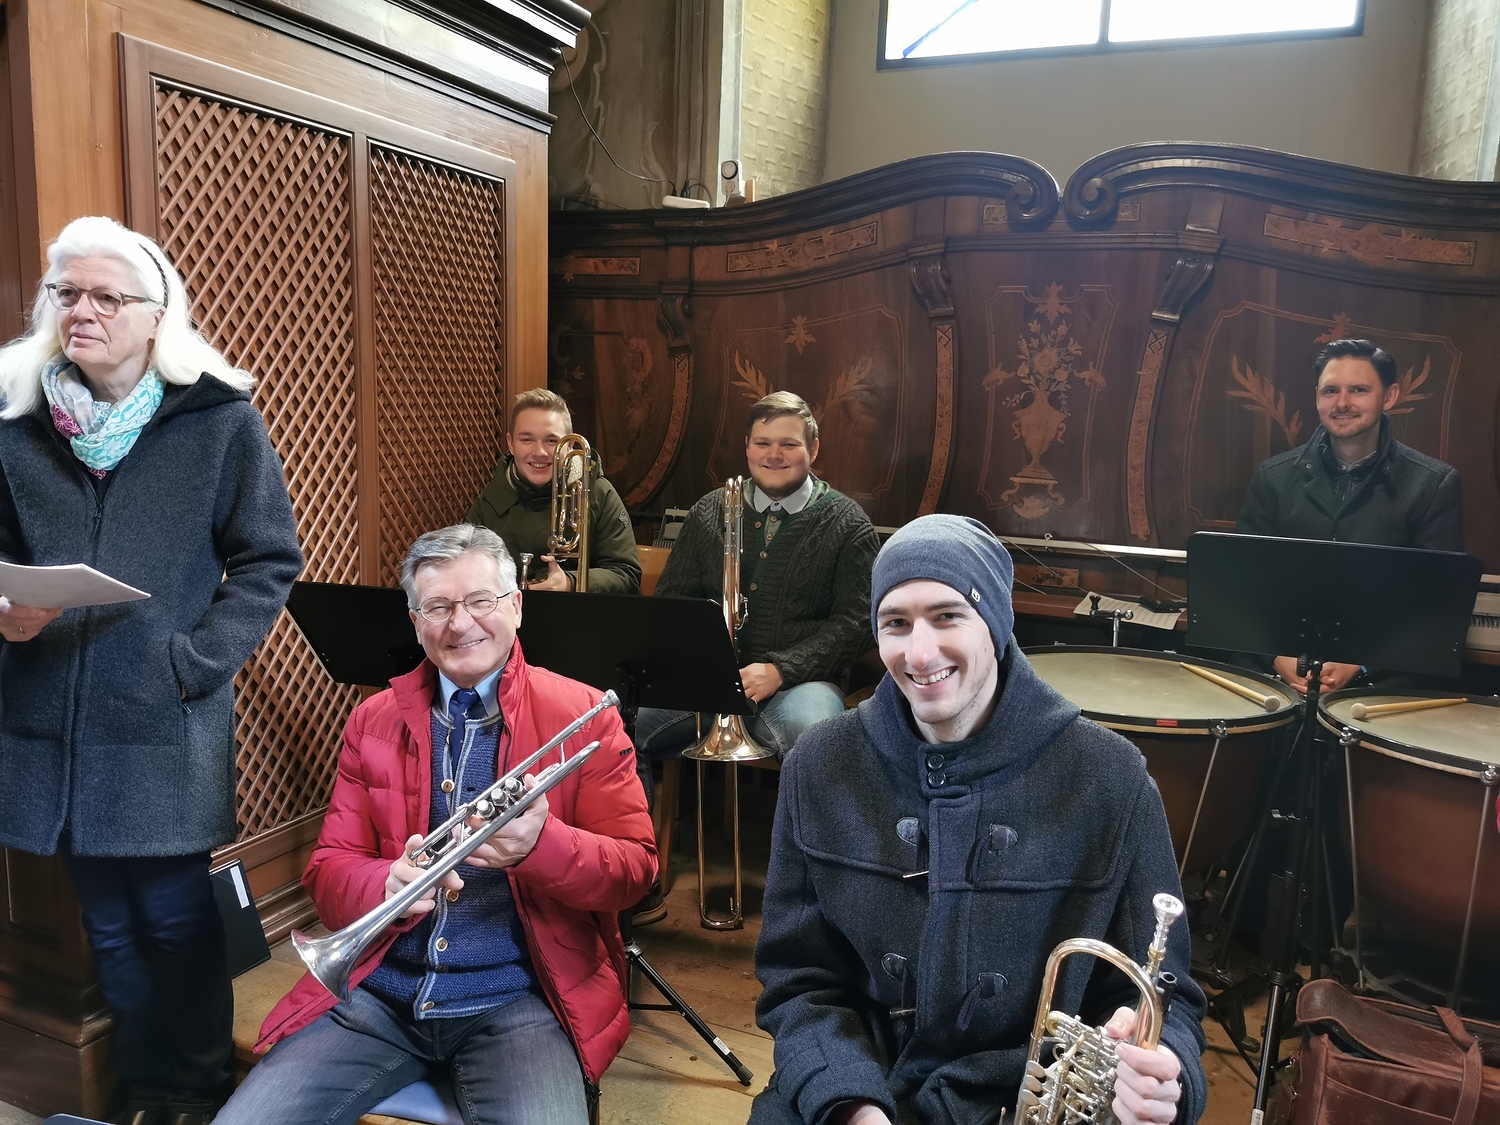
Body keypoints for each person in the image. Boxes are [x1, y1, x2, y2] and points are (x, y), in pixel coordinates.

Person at [749, 514, 1207, 1125]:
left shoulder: (1109, 775)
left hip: (1026, 1100)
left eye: (947, 616)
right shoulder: (820, 763)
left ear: (995, 622)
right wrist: (851, 1104)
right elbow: (798, 981)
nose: (919, 653)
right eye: (895, 623)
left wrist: (1163, 1075)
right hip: (856, 1085)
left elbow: (1166, 999)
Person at [0, 216, 303, 1125]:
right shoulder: (16, 427)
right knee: (110, 926)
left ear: (155, 315)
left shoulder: (220, 422)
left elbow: (269, 559)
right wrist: (9, 614)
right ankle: (144, 1089)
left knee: (175, 921)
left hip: (164, 712)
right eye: (67, 294)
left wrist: (194, 661)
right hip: (53, 720)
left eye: (106, 296)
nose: (81, 311)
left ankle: (198, 1088)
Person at [220, 524, 655, 1125]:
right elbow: (328, 872)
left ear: (517, 607)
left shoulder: (585, 716)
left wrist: (542, 845)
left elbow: (635, 873)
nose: (460, 623)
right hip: (378, 993)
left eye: (480, 601)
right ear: (415, 620)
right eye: (439, 607)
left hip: (519, 1002)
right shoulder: (372, 720)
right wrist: (384, 886)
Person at [636, 391, 879, 769]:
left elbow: (858, 623)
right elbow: (674, 602)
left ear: (813, 449)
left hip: (800, 685)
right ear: (747, 447)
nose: (774, 455)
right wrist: (705, 662)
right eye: (763, 443)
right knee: (613, 725)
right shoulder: (708, 511)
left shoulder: (847, 524)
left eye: (789, 444)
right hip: (709, 680)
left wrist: (783, 669)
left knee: (819, 741)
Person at [1237, 338, 1465, 695]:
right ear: (1317, 397)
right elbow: (1243, 587)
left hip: (1381, 680)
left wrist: (1362, 662)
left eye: (1359, 390)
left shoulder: (1433, 485)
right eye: (1331, 391)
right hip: (1279, 673)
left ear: (1389, 396)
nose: (1342, 403)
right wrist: (1274, 656)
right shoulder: (1273, 477)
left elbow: (1435, 607)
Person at [468, 388, 641, 593]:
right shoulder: (489, 500)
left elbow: (626, 574)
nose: (539, 452)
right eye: (526, 439)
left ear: (570, 445)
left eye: (551, 441)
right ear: (510, 443)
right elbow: (465, 569)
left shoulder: (599, 494)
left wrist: (570, 582)